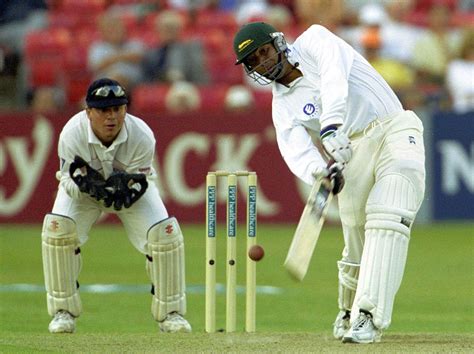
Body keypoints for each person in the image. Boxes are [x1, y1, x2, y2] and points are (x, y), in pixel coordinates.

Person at [232, 22, 425, 344]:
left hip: (393, 126)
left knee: (389, 213)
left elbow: (335, 76)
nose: (262, 63)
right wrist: (320, 173)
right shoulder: (282, 106)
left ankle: (368, 316)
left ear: (278, 43)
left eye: (263, 52)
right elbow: (295, 150)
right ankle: (348, 310)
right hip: (351, 152)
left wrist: (331, 125)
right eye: (252, 61)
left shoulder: (314, 40)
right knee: (357, 240)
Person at [41, 78, 191, 334]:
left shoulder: (141, 135)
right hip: (86, 194)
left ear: (125, 110)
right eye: (103, 110)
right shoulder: (72, 132)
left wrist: (121, 192)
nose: (111, 117)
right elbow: (66, 177)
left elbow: (140, 180)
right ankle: (62, 312)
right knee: (58, 230)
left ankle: (171, 314)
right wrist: (86, 187)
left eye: (117, 109)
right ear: (88, 112)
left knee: (165, 236)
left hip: (128, 193)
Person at [141, 9, 209, 84]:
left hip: (185, 86)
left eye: (172, 28)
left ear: (180, 30)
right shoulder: (152, 53)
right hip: (158, 88)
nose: (168, 31)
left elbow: (198, 74)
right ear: (158, 31)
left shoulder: (191, 48)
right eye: (165, 28)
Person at [88, 10, 145, 92]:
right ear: (103, 32)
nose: (114, 31)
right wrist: (123, 57)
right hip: (103, 82)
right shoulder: (98, 47)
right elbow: (96, 66)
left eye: (117, 27)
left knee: (117, 78)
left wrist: (112, 59)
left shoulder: (134, 43)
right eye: (110, 29)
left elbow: (138, 57)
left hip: (132, 83)